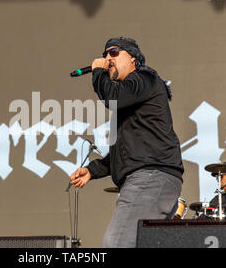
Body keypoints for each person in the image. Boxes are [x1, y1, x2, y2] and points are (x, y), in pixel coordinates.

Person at [70, 37, 184, 248]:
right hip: (152, 178)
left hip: (150, 177)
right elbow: (127, 151)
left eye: (113, 53)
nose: (107, 58)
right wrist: (92, 170)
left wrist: (98, 71)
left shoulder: (145, 77)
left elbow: (111, 97)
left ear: (133, 58)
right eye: (104, 55)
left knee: (117, 242)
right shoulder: (131, 99)